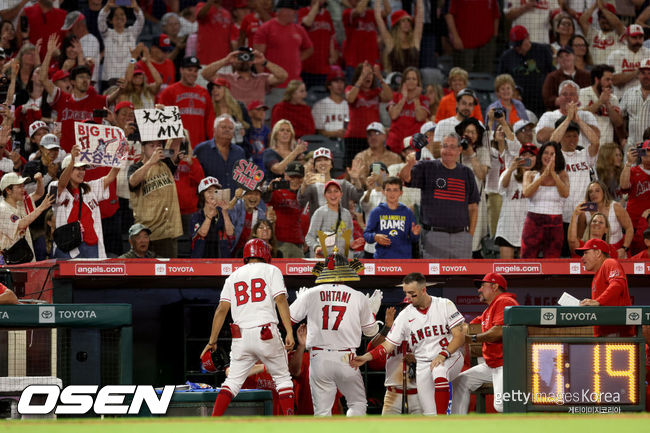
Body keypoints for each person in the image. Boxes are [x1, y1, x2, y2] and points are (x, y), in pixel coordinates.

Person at [202, 238, 295, 416]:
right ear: (266, 255)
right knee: (283, 379)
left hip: (241, 336)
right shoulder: (272, 269)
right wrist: (289, 331)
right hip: (265, 332)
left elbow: (221, 309)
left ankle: (212, 423)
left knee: (232, 383)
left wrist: (212, 340)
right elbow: (281, 299)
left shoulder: (233, 276)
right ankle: (290, 424)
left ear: (245, 256)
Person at [351, 272, 465, 416]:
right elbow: (388, 345)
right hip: (423, 364)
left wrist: (443, 354)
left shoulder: (444, 304)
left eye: (412, 293)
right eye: (406, 293)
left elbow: (459, 337)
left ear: (423, 290)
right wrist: (366, 357)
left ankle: (443, 420)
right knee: (430, 414)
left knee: (439, 370)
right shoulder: (405, 316)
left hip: (449, 357)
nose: (409, 297)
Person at [289, 250, 380, 416]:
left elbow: (289, 319)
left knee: (322, 412)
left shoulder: (311, 293)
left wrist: (301, 300)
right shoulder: (357, 296)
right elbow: (371, 331)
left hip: (318, 357)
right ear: (345, 270)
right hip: (347, 357)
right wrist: (372, 312)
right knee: (357, 402)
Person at [399, 132, 479, 259]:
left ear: (459, 150)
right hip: (433, 236)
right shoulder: (427, 167)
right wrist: (410, 164)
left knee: (462, 277)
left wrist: (469, 236)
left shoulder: (467, 173)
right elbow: (404, 178)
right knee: (434, 277)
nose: (448, 151)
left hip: (461, 237)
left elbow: (473, 207)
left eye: (452, 147)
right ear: (440, 148)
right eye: (445, 146)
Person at [450, 272, 519, 414]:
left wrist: (473, 338)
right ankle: (456, 425)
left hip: (507, 364)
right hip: (492, 364)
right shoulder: (489, 309)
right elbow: (468, 327)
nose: (479, 289)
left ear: (494, 286)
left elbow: (499, 331)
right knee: (460, 381)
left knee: (501, 406)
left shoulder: (504, 301)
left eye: (482, 285)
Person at [40, 34, 121, 153]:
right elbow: (43, 79)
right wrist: (49, 53)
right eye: (81, 77)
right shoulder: (62, 98)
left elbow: (112, 97)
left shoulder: (97, 100)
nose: (85, 80)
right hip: (65, 156)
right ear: (72, 81)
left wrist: (122, 89)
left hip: (89, 157)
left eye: (88, 77)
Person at [52, 146, 120, 259]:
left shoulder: (89, 188)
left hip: (91, 246)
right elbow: (61, 185)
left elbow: (110, 177)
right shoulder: (55, 187)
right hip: (67, 247)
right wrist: (73, 160)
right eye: (78, 168)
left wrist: (120, 156)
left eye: (83, 169)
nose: (82, 172)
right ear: (67, 169)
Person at [128, 139, 183, 258]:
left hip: (167, 232)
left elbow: (177, 142)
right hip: (145, 233)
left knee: (168, 274)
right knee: (144, 274)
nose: (156, 148)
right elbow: (132, 182)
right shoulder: (135, 167)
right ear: (143, 148)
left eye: (159, 145)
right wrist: (150, 162)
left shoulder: (166, 163)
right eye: (151, 146)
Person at [253, 0, 314, 102]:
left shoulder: (299, 29)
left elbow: (309, 49)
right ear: (282, 11)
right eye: (292, 11)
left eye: (295, 11)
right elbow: (258, 57)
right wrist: (263, 81)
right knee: (275, 115)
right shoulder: (266, 28)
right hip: (275, 82)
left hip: (295, 83)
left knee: (294, 115)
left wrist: (296, 59)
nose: (295, 14)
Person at [366, 300, 420, 414]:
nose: (406, 311)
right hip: (393, 395)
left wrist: (418, 361)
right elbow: (372, 348)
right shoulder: (392, 331)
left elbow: (437, 360)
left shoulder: (426, 330)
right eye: (404, 308)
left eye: (410, 307)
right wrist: (387, 327)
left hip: (419, 394)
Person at [576, 238, 634, 337]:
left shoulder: (609, 263)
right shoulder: (597, 275)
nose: (582, 258)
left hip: (617, 334)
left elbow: (618, 284)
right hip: (606, 335)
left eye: (586, 253)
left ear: (598, 252)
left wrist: (598, 301)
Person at [521, 141, 570, 258]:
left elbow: (565, 193)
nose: (548, 156)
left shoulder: (562, 174)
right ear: (540, 155)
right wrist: (544, 175)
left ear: (557, 157)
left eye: (552, 154)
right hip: (533, 221)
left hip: (555, 222)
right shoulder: (530, 174)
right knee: (527, 259)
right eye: (546, 153)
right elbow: (526, 192)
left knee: (552, 261)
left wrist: (552, 173)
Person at [344, 61, 393, 167]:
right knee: (352, 168)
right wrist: (361, 78)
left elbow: (390, 97)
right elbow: (350, 98)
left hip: (373, 138)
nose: (368, 76)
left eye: (370, 73)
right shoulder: (350, 89)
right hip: (354, 138)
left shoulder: (377, 91)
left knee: (373, 167)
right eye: (365, 73)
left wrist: (380, 78)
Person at [498, 25, 554, 116]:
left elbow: (552, 74)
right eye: (516, 46)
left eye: (521, 45)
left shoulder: (543, 50)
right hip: (516, 104)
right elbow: (500, 81)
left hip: (540, 102)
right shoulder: (507, 57)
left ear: (528, 38)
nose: (518, 49)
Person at [201, 49, 288, 107]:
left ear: (252, 61)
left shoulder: (262, 79)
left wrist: (264, 62)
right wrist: (226, 60)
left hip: (255, 126)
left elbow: (282, 76)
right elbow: (205, 74)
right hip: (233, 125)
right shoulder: (226, 79)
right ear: (234, 60)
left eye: (247, 57)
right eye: (240, 57)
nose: (244, 60)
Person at [158, 56, 214, 147]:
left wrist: (212, 144)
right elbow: (163, 121)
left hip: (199, 147)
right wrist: (169, 146)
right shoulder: (169, 92)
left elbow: (210, 121)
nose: (193, 73)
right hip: (176, 148)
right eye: (189, 70)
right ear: (181, 70)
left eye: (195, 71)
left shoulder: (204, 93)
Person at [569, 180, 633, 258]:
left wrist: (624, 248)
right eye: (590, 192)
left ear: (604, 192)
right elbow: (580, 236)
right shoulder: (584, 212)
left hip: (617, 249)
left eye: (597, 191)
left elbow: (629, 228)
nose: (594, 194)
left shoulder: (616, 207)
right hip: (594, 250)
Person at [494, 144, 537, 259]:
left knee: (525, 271)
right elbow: (502, 187)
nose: (527, 158)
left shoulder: (539, 176)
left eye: (531, 155)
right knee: (507, 269)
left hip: (528, 228)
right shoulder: (510, 173)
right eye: (524, 155)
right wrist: (511, 169)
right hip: (508, 228)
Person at [0, 172, 53, 263]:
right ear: (8, 190)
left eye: (23, 186)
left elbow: (39, 194)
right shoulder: (2, 208)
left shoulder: (21, 203)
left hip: (25, 257)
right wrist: (42, 207)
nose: (23, 190)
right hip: (9, 261)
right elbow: (20, 224)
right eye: (19, 187)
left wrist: (40, 181)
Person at [298, 147, 364, 219]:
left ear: (331, 164)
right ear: (315, 166)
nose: (323, 163)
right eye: (319, 160)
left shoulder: (343, 184)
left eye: (326, 160)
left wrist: (356, 180)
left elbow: (358, 196)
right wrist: (304, 185)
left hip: (341, 228)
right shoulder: (311, 187)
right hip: (319, 228)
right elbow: (301, 202)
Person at [363, 176, 420, 259]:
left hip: (404, 259)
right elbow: (366, 235)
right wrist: (375, 237)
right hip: (382, 259)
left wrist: (415, 234)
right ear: (383, 192)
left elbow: (414, 239)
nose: (392, 193)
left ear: (401, 192)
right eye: (388, 190)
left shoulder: (407, 212)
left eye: (395, 190)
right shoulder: (376, 212)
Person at [194, 114, 246, 195]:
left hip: (234, 202)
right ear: (214, 129)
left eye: (230, 128)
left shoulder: (239, 152)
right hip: (210, 202)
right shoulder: (201, 150)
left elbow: (244, 179)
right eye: (223, 127)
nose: (227, 130)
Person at [264, 161, 305, 258]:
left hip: (298, 244)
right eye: (292, 177)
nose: (295, 180)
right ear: (285, 175)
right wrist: (269, 189)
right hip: (280, 243)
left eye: (298, 177)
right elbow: (265, 197)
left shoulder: (304, 194)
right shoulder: (277, 191)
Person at [98, 0, 144, 86]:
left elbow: (140, 21)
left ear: (126, 18)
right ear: (111, 20)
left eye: (122, 14)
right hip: (111, 78)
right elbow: (101, 21)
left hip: (129, 77)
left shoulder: (132, 32)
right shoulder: (107, 33)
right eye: (116, 15)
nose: (120, 17)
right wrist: (107, 7)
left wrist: (136, 8)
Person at [445, 0, 499, 74]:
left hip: (486, 43)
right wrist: (455, 37)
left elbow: (496, 14)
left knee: (485, 77)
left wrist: (494, 37)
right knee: (463, 77)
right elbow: (449, 14)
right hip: (464, 44)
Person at [305, 180, 355, 258]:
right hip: (323, 260)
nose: (333, 195)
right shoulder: (319, 213)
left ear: (341, 194)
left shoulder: (346, 214)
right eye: (329, 192)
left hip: (342, 261)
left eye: (336, 191)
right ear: (324, 195)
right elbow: (309, 237)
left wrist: (352, 244)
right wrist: (316, 247)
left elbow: (349, 238)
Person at [385, 67, 429, 154]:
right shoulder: (395, 97)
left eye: (414, 79)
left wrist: (416, 98)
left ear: (418, 82)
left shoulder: (424, 99)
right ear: (403, 81)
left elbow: (420, 117)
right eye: (408, 78)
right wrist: (403, 97)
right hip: (394, 143)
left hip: (413, 146)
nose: (411, 81)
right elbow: (393, 115)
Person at [579, 64, 624, 145]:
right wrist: (600, 101)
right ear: (597, 79)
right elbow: (580, 115)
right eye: (607, 79)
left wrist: (607, 104)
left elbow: (619, 123)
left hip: (606, 147)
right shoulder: (583, 93)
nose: (610, 83)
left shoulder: (613, 98)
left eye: (611, 80)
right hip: (587, 146)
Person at [374, 0, 423, 73]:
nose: (407, 23)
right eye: (403, 21)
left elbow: (420, 15)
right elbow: (378, 18)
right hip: (396, 82)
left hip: (414, 82)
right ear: (397, 25)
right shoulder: (391, 42)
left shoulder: (414, 41)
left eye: (408, 21)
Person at [190, 176, 234, 258]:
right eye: (209, 191)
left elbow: (230, 233)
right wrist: (210, 215)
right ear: (202, 194)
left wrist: (224, 212)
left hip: (222, 259)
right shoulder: (196, 216)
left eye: (215, 191)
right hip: (200, 260)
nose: (212, 194)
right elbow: (202, 233)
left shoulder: (223, 214)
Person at [620, 142, 650, 254]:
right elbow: (623, 186)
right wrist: (628, 163)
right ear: (640, 153)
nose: (648, 154)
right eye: (646, 151)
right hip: (634, 224)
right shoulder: (633, 171)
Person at [298, 0, 336, 88]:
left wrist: (332, 54)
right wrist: (316, 6)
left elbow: (330, 36)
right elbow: (307, 23)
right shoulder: (303, 11)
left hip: (324, 66)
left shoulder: (327, 14)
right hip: (307, 66)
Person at [541, 47, 591, 111]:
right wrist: (561, 100)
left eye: (567, 55)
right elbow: (547, 99)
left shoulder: (586, 75)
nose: (564, 58)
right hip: (560, 114)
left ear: (574, 57)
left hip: (583, 111)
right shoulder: (552, 77)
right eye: (561, 57)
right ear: (557, 60)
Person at [608, 24, 650, 99]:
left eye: (640, 37)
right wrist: (638, 71)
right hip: (621, 98)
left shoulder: (648, 53)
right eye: (634, 37)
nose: (638, 41)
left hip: (645, 98)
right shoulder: (615, 54)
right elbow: (614, 80)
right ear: (626, 37)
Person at [578, 0, 625, 66]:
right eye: (603, 17)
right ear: (599, 19)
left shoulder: (620, 33)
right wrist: (595, 5)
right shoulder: (593, 33)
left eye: (608, 17)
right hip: (593, 70)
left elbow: (617, 24)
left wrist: (602, 8)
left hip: (611, 71)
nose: (606, 21)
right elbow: (582, 21)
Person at [60, 11, 101, 85]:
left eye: (71, 29)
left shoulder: (91, 40)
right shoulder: (77, 40)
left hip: (88, 87)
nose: (69, 33)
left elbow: (86, 66)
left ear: (81, 25)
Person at [208, 77, 250, 146]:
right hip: (217, 148)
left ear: (226, 90)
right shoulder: (211, 109)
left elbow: (249, 126)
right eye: (213, 88)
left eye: (218, 87)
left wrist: (244, 131)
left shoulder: (239, 106)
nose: (214, 90)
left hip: (238, 147)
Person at [228, 186, 268, 257]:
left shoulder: (260, 214)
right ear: (243, 196)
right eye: (250, 193)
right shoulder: (237, 206)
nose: (253, 197)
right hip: (231, 251)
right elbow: (226, 211)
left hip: (250, 254)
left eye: (256, 194)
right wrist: (235, 198)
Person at [619, 59, 650, 147]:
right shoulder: (629, 93)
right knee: (631, 161)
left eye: (649, 73)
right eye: (643, 73)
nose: (646, 76)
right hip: (632, 145)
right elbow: (620, 118)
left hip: (649, 147)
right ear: (638, 75)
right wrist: (622, 138)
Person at [312, 66, 349, 139]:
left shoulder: (350, 105)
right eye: (336, 81)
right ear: (329, 85)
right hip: (327, 141)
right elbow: (319, 130)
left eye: (342, 81)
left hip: (348, 140)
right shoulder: (320, 105)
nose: (339, 85)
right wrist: (335, 133)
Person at [195, 0, 234, 65]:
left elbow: (228, 38)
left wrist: (232, 58)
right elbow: (200, 15)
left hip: (224, 61)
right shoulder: (201, 5)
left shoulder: (227, 13)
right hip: (205, 60)